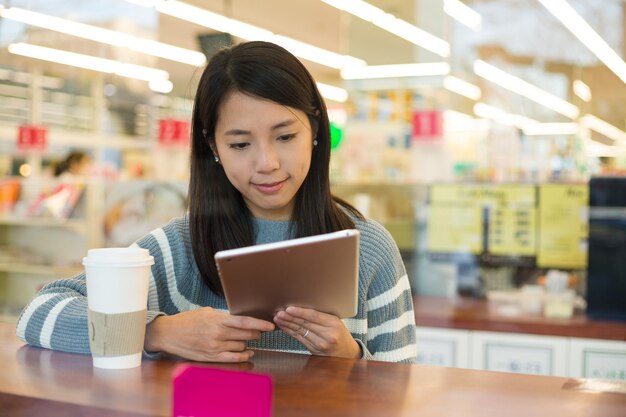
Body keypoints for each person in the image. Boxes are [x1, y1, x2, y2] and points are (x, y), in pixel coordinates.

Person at [16, 41, 417, 364]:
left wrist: (350, 356)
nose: (267, 163)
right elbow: (39, 313)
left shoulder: (369, 248)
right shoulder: (179, 248)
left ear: (314, 128)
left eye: (285, 136)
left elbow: (403, 388)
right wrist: (159, 333)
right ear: (214, 147)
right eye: (240, 144)